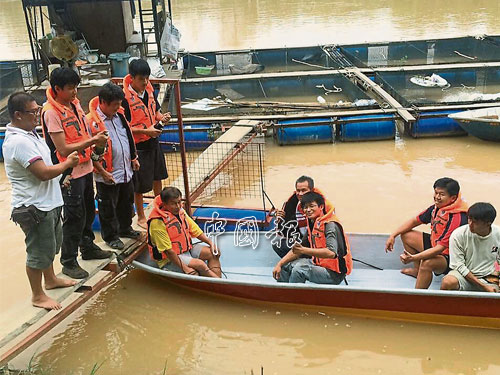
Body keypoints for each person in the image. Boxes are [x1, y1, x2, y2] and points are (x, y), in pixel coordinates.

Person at [3, 92, 80, 310]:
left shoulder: (31, 134)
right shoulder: (18, 142)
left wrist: (59, 180)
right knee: (38, 252)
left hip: (48, 201)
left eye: (38, 110)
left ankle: (51, 280)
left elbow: (46, 171)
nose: (37, 115)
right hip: (34, 207)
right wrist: (67, 164)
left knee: (50, 246)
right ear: (18, 115)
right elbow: (43, 173)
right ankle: (37, 296)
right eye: (33, 112)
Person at [42, 67, 113, 279]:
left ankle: (88, 247)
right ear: (57, 89)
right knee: (73, 216)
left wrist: (95, 140)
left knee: (89, 211)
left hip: (85, 168)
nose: (75, 92)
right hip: (69, 173)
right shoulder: (51, 113)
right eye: (71, 88)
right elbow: (63, 149)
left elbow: (83, 132)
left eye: (76, 87)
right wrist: (93, 141)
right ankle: (69, 261)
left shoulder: (74, 105)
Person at [385, 177, 468, 289]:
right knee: (406, 235)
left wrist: (414, 257)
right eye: (436, 193)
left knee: (427, 263)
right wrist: (393, 235)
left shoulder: (457, 217)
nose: (437, 197)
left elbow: (440, 248)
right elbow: (415, 220)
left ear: (453, 198)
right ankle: (417, 271)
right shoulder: (438, 207)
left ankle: (418, 296)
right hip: (437, 244)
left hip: (451, 256)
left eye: (442, 194)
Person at [87, 83, 141, 250]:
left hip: (125, 169)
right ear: (103, 102)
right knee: (107, 206)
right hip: (106, 173)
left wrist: (133, 157)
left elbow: (128, 138)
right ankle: (111, 237)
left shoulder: (120, 117)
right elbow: (89, 150)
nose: (118, 107)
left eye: (119, 103)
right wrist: (102, 172)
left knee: (126, 201)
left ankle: (125, 228)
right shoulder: (91, 122)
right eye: (114, 104)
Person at [122, 59, 170, 229]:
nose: (145, 82)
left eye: (147, 78)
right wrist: (145, 132)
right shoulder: (125, 99)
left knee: (158, 176)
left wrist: (161, 118)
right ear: (132, 78)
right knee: (139, 184)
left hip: (153, 141)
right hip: (139, 146)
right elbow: (124, 128)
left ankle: (160, 207)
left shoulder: (149, 91)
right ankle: (141, 216)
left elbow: (155, 111)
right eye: (141, 79)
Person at [272, 192, 352, 284]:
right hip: (318, 264)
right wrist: (279, 264)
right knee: (285, 266)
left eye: (312, 206)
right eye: (305, 207)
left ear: (321, 207)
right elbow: (299, 249)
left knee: (299, 270)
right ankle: (282, 293)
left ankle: (294, 296)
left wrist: (303, 250)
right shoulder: (312, 223)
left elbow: (331, 253)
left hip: (334, 274)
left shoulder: (330, 225)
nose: (308, 210)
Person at [147, 187, 222, 278]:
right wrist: (186, 268)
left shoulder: (180, 211)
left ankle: (219, 281)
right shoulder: (157, 222)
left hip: (186, 249)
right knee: (200, 265)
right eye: (173, 204)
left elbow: (195, 230)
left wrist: (211, 243)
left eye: (179, 202)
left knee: (213, 253)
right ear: (165, 204)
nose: (178, 206)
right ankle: (219, 284)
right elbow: (168, 251)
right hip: (168, 259)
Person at [441, 202, 500, 293]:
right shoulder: (458, 235)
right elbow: (459, 266)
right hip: (463, 276)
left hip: (488, 277)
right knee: (447, 282)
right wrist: (483, 286)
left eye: (475, 222)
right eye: (469, 219)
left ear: (488, 224)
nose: (470, 224)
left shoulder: (498, 234)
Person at [272, 175, 334, 258]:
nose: (300, 194)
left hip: (319, 243)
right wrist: (280, 219)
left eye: (304, 190)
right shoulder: (292, 203)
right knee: (278, 244)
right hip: (304, 240)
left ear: (312, 190)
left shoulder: (326, 207)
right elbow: (285, 231)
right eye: (298, 190)